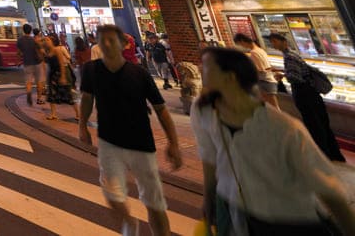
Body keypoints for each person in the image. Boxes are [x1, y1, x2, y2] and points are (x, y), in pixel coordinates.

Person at [192, 46, 355, 235]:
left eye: (205, 65)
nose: (198, 68)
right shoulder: (203, 110)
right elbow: (210, 156)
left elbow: (328, 189)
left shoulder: (283, 129)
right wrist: (208, 197)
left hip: (286, 219)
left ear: (230, 77)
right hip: (234, 209)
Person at [79, 24, 182, 236]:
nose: (106, 44)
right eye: (101, 40)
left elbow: (161, 109)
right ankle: (128, 221)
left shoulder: (139, 74)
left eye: (111, 40)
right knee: (112, 194)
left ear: (124, 44)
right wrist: (82, 126)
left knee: (154, 201)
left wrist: (174, 143)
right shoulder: (91, 70)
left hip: (141, 144)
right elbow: (87, 99)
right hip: (109, 142)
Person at [268, 32, 345, 162]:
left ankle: (323, 155)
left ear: (283, 41)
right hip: (312, 94)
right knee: (322, 123)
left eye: (275, 41)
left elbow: (295, 77)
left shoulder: (289, 57)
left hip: (305, 95)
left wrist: (282, 75)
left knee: (314, 125)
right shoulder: (293, 54)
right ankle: (334, 154)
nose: (273, 45)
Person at [232, 33, 279, 109]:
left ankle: (279, 120)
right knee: (272, 107)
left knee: (273, 108)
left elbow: (259, 70)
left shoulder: (254, 52)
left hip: (265, 82)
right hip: (269, 80)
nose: (241, 46)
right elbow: (266, 67)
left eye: (239, 44)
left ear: (242, 41)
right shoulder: (260, 50)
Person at [46, 32, 79, 121]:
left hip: (59, 73)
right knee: (51, 95)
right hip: (52, 75)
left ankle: (78, 114)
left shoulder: (57, 49)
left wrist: (63, 76)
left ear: (53, 40)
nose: (46, 41)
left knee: (68, 94)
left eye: (48, 39)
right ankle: (53, 114)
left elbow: (61, 63)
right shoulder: (48, 51)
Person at [17, 23, 44, 106]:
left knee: (28, 81)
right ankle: (39, 99)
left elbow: (19, 52)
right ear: (31, 30)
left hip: (27, 63)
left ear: (23, 30)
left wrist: (19, 60)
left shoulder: (20, 40)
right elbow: (41, 50)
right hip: (37, 63)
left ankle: (29, 93)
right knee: (39, 81)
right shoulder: (34, 40)